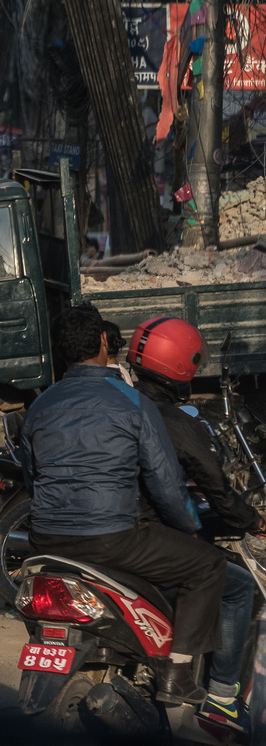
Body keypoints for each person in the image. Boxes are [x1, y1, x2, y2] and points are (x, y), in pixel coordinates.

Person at [18, 304, 226, 705]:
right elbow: (165, 485)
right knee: (207, 565)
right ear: (102, 341)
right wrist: (190, 528)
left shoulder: (40, 406)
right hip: (111, 537)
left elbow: (32, 478)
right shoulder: (132, 402)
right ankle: (178, 673)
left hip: (45, 540)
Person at [123, 314, 263, 731]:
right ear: (183, 369)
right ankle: (222, 697)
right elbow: (215, 487)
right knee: (234, 584)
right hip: (141, 535)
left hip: (88, 528)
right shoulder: (177, 422)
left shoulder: (119, 403)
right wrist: (253, 520)